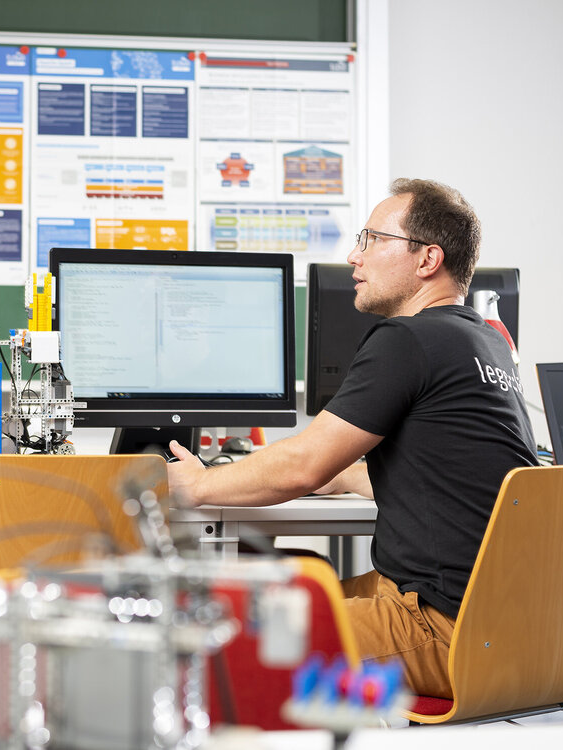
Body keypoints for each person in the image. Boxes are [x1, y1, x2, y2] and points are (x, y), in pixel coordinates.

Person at [167, 178, 537, 698]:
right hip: (512, 623)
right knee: (284, 597)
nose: (353, 257)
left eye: (372, 240)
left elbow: (302, 466)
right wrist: (354, 475)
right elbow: (456, 476)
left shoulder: (410, 338)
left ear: (427, 259)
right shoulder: (483, 340)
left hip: (445, 627)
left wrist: (196, 486)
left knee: (229, 637)